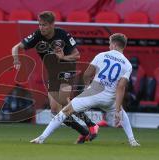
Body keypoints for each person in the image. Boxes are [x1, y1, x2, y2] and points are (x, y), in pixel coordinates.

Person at [30, 33, 140, 147]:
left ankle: (41, 138)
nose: (109, 46)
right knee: (122, 114)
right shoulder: (127, 64)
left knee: (65, 111)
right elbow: (121, 87)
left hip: (93, 93)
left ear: (114, 45)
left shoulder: (102, 55)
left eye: (110, 44)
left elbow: (87, 74)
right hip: (109, 98)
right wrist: (117, 109)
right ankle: (132, 141)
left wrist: (88, 88)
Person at [11, 11, 99, 143]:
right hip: (52, 74)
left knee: (64, 101)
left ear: (52, 25)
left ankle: (91, 124)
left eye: (44, 25)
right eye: (40, 24)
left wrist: (63, 57)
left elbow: (77, 55)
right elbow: (16, 47)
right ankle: (84, 132)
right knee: (54, 110)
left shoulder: (63, 34)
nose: (41, 27)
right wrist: (16, 60)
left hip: (66, 70)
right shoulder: (37, 35)